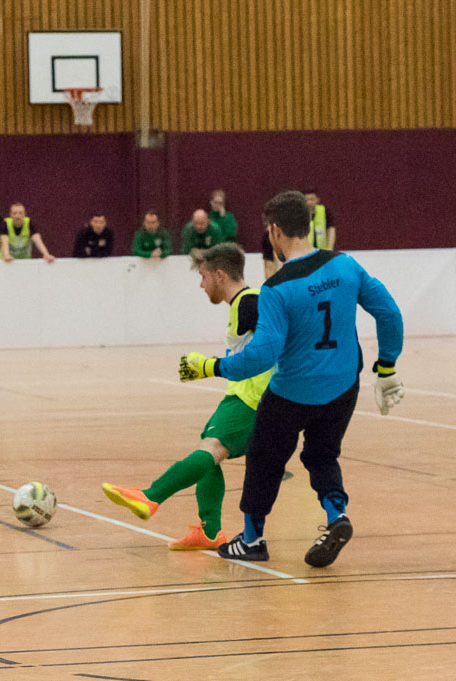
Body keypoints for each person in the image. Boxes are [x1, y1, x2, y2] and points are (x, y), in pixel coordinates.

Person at [179, 190, 405, 567]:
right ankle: (336, 515)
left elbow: (261, 356)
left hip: (292, 393)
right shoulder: (346, 265)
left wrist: (212, 366)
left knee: (263, 459)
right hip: (343, 386)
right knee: (322, 455)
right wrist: (387, 368)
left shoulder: (277, 289)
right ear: (308, 225)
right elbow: (389, 314)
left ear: (276, 231)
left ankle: (252, 540)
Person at [102, 243, 272, 549]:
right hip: (243, 396)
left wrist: (209, 367)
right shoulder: (244, 303)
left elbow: (273, 347)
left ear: (220, 275)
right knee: (208, 450)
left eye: (204, 277)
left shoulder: (251, 303)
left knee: (211, 448)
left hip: (252, 400)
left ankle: (151, 496)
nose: (201, 285)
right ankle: (210, 531)